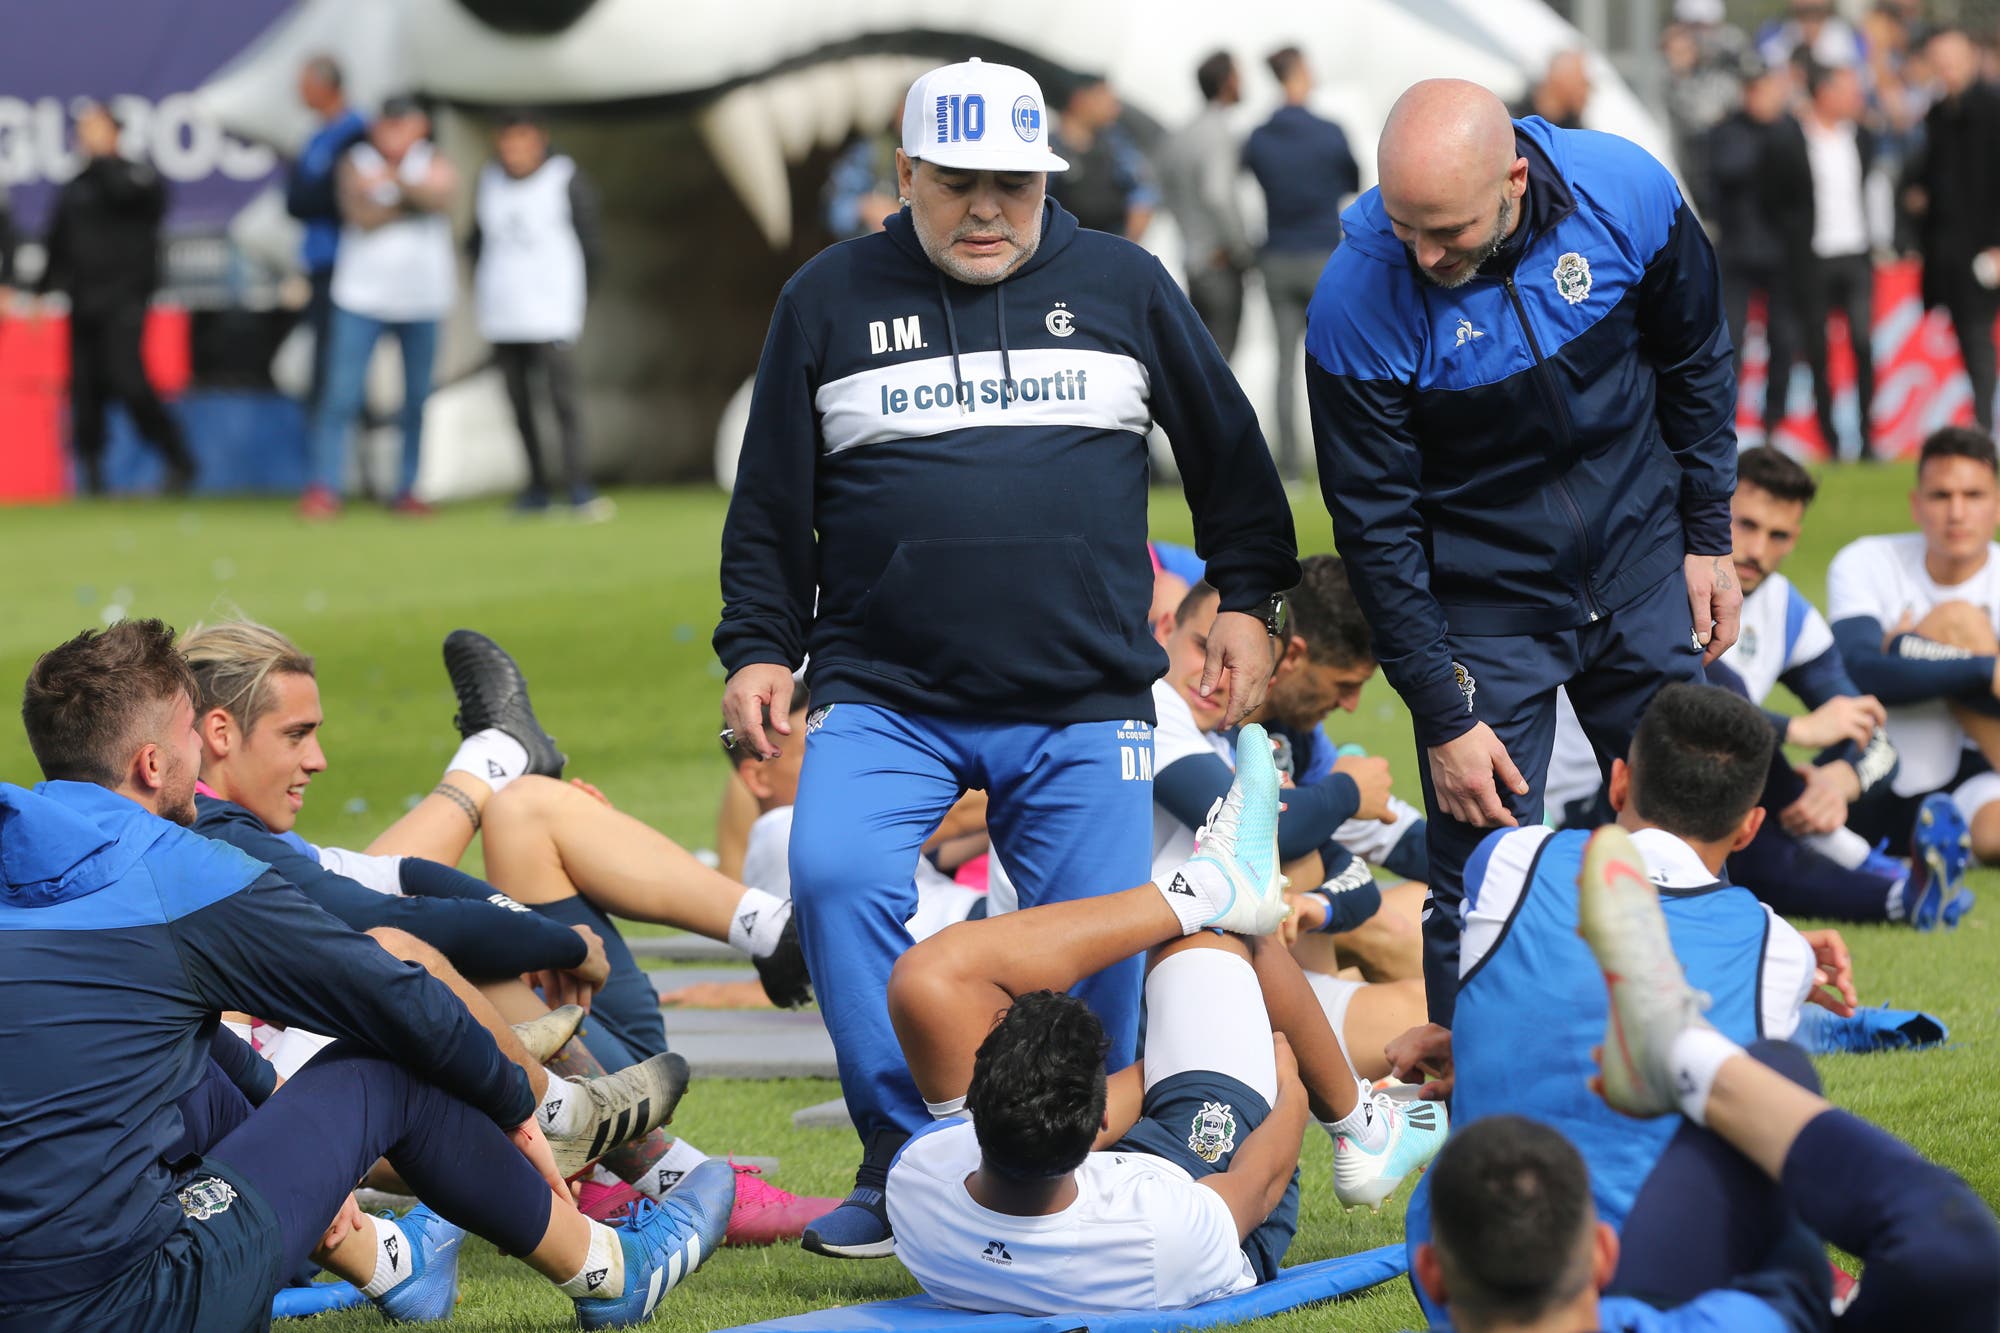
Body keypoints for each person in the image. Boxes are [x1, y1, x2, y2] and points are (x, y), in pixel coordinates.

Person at [716, 56, 1299, 1258]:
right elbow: (771, 504)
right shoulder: (822, 299)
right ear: (905, 176)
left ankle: (1087, 1177)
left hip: (1083, 695)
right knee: (828, 875)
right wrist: (757, 648)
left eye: (1011, 185)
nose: (985, 209)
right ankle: (904, 1161)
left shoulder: (1125, 284)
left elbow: (1232, 459)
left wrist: (1247, 597)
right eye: (957, 182)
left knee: (1090, 952)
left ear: (1046, 179)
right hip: (884, 692)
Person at [0, 620, 738, 1331]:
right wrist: (516, 1100)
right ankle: (613, 1270)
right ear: (153, 763)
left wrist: (290, 1130)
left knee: (190, 1063)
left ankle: (393, 1261)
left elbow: (186, 1040)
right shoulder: (175, 870)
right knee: (392, 1062)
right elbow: (391, 993)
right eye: (192, 729)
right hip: (134, 1302)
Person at [1306, 79, 1742, 1029]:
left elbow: (1697, 355)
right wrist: (1440, 712)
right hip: (1484, 615)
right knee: (1479, 883)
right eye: (1403, 225)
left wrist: (1709, 534)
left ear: (1512, 178)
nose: (1423, 254)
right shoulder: (1354, 300)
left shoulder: (1623, 192)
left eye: (1447, 231)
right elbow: (1375, 529)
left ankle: (1704, 1087)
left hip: (1638, 569)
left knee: (1686, 838)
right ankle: (1476, 1145)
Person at [176, 620, 838, 1242]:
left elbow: (398, 874)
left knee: (522, 812)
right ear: (221, 732)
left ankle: (771, 928)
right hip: (425, 1099)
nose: (318, 759)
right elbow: (386, 920)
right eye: (297, 734)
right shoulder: (211, 841)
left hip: (574, 1061)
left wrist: (521, 926)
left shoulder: (226, 832)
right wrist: (561, 942)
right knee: (426, 955)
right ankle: (666, 1172)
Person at [883, 727, 1446, 1316]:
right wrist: (1287, 1082)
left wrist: (1198, 1050)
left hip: (1077, 1182)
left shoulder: (920, 1179)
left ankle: (1209, 886)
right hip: (1204, 1178)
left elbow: (1047, 1132)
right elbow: (1262, 1183)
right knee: (1217, 930)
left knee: (925, 982)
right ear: (1101, 1118)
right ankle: (1362, 1129)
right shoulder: (1163, 1232)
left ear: (977, 1112)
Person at [1419, 819, 2000, 1333]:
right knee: (1780, 1070)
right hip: (1750, 1290)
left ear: (1430, 1271)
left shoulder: (1510, 856)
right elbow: (1959, 1251)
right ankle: (1679, 1051)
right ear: (1602, 1253)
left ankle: (1673, 1048)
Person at [1388, 684, 1848, 1328]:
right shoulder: (1777, 946)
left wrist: (1466, 1042)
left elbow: (1539, 990)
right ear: (1749, 829)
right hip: (1668, 1279)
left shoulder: (1513, 858)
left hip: (1491, 1266)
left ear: (1620, 781)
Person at [1544, 447, 1942, 927]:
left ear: (1794, 539)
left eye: (1778, 535)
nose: (1757, 549)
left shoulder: (1787, 609)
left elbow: (1870, 733)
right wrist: (1795, 730)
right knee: (1717, 699)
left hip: (1697, 800)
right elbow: (1693, 706)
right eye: (1746, 525)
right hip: (1594, 804)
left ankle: (1898, 897)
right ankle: (1878, 875)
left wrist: (1842, 782)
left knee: (1740, 818)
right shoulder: (1661, 582)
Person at [1829, 426, 2000, 871]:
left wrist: (1905, 646)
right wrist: (1986, 670)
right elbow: (1859, 668)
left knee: (1995, 838)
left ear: (1998, 503)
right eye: (1941, 495)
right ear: (1916, 504)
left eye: (1974, 495)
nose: (1957, 512)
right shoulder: (1865, 561)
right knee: (1958, 620)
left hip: (1977, 768)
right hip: (1876, 755)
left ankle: (1939, 841)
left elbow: (1882, 664)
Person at [302, 95, 456, 519]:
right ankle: (324, 488)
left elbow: (441, 200)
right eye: (387, 125)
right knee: (340, 397)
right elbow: (360, 216)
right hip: (362, 297)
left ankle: (409, 487)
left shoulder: (432, 158)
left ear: (420, 126)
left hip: (423, 298)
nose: (393, 134)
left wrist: (392, 188)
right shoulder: (356, 160)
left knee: (416, 399)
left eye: (402, 125)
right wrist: (413, 197)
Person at [37, 101, 196, 497]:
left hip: (124, 299)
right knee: (84, 389)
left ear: (115, 133)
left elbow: (142, 202)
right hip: (82, 300)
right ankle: (90, 474)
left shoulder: (133, 174)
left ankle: (178, 458)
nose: (85, 137)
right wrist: (41, 290)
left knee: (128, 380)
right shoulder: (75, 185)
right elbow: (58, 242)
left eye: (95, 128)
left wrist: (106, 159)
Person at [469, 110, 611, 519]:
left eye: (522, 140)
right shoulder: (489, 180)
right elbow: (477, 241)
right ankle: (535, 486)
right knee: (518, 402)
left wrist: (577, 298)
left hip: (551, 310)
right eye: (507, 141)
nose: (514, 151)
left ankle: (579, 486)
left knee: (562, 401)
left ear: (540, 139)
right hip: (502, 311)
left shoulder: (564, 178)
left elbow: (590, 245)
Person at [1243, 46, 1360, 480]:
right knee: (1335, 361)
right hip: (1322, 256)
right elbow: (1352, 178)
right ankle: (1344, 458)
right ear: (1299, 73)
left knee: (1283, 367)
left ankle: (1289, 467)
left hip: (1276, 255)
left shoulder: (1260, 136)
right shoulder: (1329, 132)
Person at [1706, 60, 1813, 436]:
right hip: (1736, 253)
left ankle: (1773, 423)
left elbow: (1803, 190)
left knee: (1783, 340)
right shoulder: (1729, 131)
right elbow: (1724, 171)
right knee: (1730, 342)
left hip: (1782, 255)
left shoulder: (1790, 130)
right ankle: (1725, 424)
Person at [1904, 28, 2000, 433]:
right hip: (1954, 257)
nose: (1947, 70)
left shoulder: (1993, 110)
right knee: (1972, 340)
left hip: (1990, 247)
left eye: (1954, 60)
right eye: (1940, 62)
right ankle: (1984, 426)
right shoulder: (1937, 114)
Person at [1796, 61, 1880, 460]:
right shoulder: (1795, 137)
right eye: (1847, 90)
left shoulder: (1861, 135)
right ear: (1824, 93)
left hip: (1857, 254)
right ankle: (1829, 440)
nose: (1856, 99)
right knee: (1818, 350)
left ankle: (1867, 438)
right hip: (1814, 257)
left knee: (1863, 344)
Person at [284, 56, 367, 420]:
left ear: (324, 86)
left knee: (342, 361)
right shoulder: (318, 135)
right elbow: (296, 199)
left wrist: (313, 195)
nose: (298, 92)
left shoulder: (356, 133)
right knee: (322, 358)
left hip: (350, 264)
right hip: (320, 261)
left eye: (304, 83)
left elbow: (335, 199)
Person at [1157, 51, 1253, 358]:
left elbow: (1164, 190)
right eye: (1238, 75)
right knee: (1222, 362)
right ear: (1226, 82)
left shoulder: (1182, 133)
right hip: (1219, 260)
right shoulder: (1218, 131)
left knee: (1202, 358)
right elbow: (1217, 194)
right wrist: (1241, 248)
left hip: (1194, 258)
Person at [1049, 73, 1157, 240]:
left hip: (1107, 242)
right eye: (1105, 99)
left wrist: (1126, 245)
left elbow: (1143, 193)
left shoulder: (1117, 146)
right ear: (1080, 99)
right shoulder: (1048, 148)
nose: (1115, 109)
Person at [1510, 50, 1593, 130]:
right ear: (1559, 79)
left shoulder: (1577, 136)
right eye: (1581, 82)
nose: (1587, 90)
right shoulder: (1511, 119)